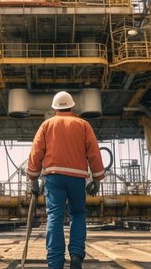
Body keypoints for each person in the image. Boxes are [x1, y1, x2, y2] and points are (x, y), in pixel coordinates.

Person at [27, 91, 105, 269]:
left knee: (54, 216)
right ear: (72, 106)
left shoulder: (47, 125)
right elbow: (94, 153)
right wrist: (97, 178)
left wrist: (33, 178)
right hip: (77, 178)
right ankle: (76, 255)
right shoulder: (83, 125)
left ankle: (55, 263)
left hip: (54, 178)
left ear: (55, 108)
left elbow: (36, 153)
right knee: (78, 214)